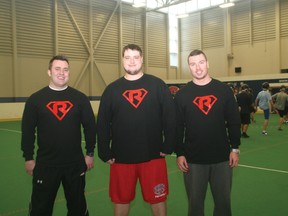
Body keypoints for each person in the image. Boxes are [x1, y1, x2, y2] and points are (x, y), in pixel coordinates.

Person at [97, 44, 176, 216]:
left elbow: (170, 117)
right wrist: (104, 150)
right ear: (122, 60)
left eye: (135, 57)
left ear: (142, 59)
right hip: (121, 157)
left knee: (158, 199)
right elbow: (103, 123)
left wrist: (168, 144)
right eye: (127, 57)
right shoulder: (112, 89)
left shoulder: (157, 85)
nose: (131, 61)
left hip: (153, 155)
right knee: (120, 200)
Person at [21, 55, 96, 216]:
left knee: (78, 209)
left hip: (74, 165)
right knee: (40, 210)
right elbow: (27, 131)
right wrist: (28, 157)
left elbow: (90, 128)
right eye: (57, 69)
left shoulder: (80, 99)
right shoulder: (35, 100)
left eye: (65, 69)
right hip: (46, 165)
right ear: (49, 72)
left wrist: (90, 153)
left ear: (69, 72)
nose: (61, 73)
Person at [174, 49, 241, 216]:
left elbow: (234, 121)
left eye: (201, 62)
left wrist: (235, 148)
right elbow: (177, 126)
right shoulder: (182, 95)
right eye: (193, 64)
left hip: (222, 159)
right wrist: (179, 153)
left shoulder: (223, 90)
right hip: (193, 160)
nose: (198, 68)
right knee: (195, 206)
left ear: (208, 63)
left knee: (223, 204)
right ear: (189, 67)